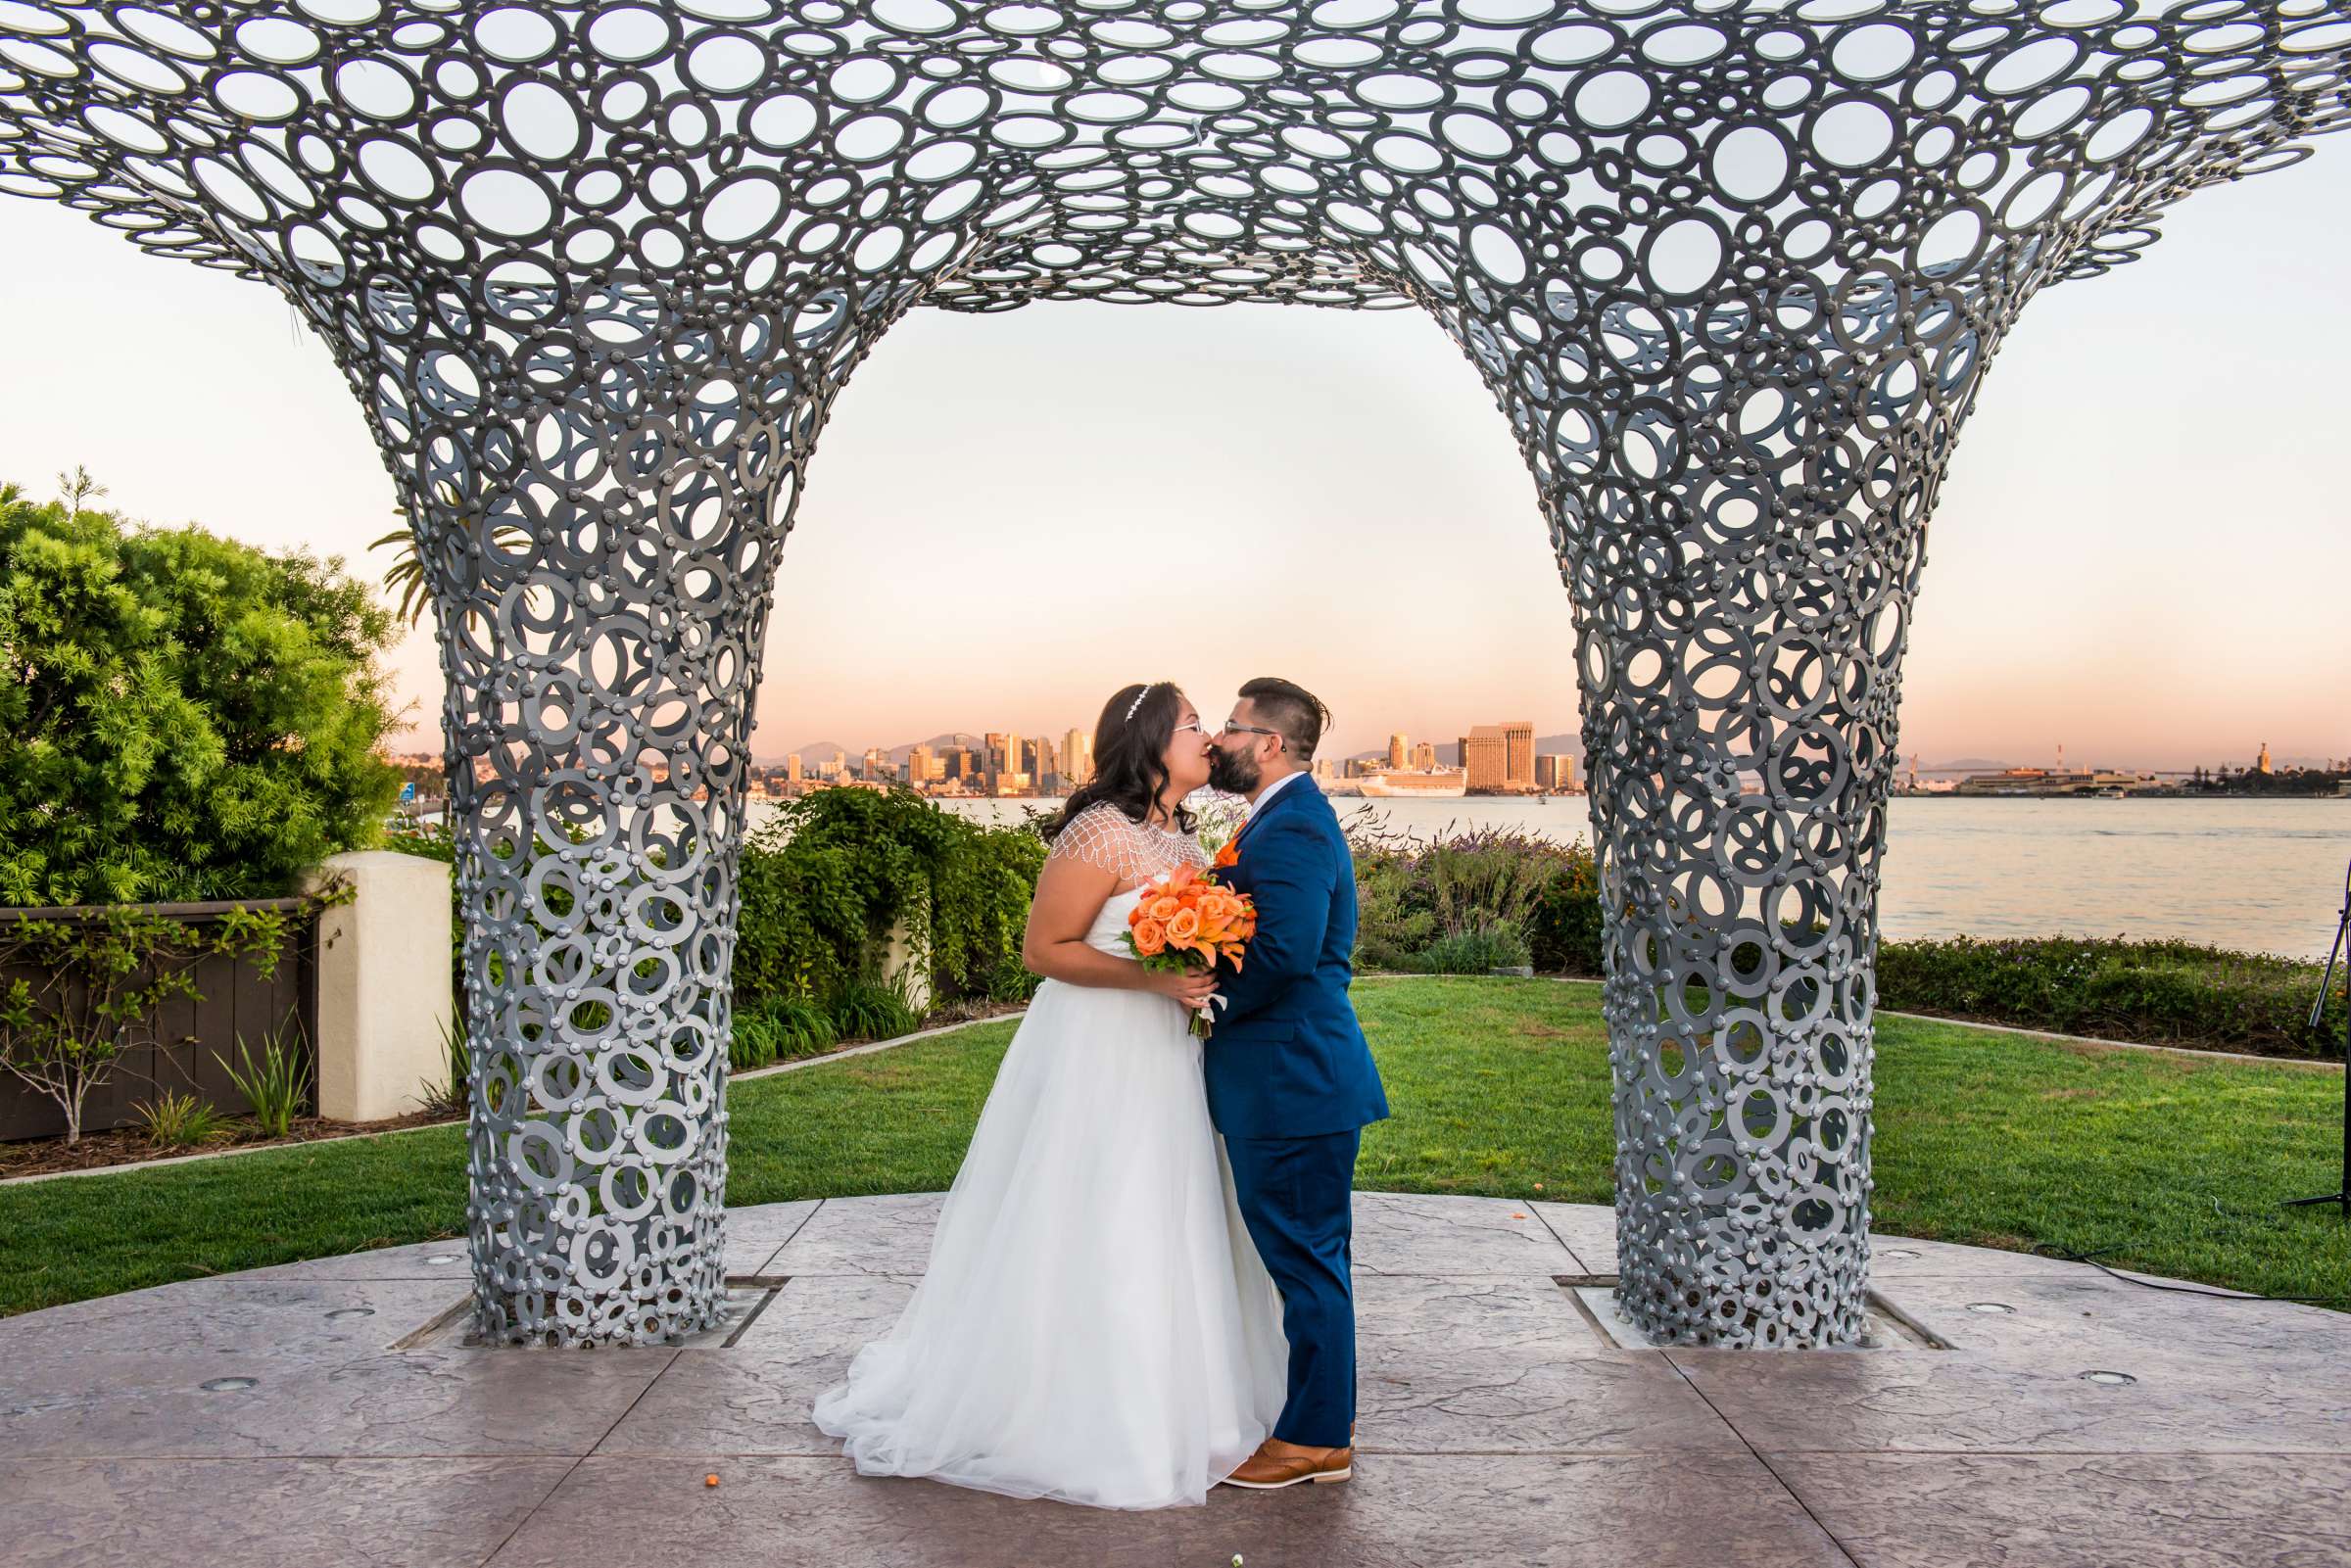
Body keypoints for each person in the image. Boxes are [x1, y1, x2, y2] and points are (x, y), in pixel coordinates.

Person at [810, 682, 1287, 1509]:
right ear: (1150, 742)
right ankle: (1071, 1408)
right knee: (1098, 1211)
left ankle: (1184, 1401)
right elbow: (1044, 946)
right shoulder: (1101, 830)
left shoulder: (1181, 835)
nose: (1208, 736)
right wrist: (1152, 977)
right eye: (1193, 725)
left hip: (1166, 1056)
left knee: (1167, 1212)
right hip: (1098, 1051)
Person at [1202, 676, 1390, 1489]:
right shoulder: (1277, 819)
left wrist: (1207, 1002)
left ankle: (1315, 1440)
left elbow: (1282, 953)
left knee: (1307, 1259)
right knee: (1313, 1255)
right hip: (1290, 1080)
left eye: (1232, 727)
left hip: (1292, 1081)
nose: (1220, 739)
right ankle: (1326, 1417)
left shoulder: (1295, 829)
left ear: (1269, 743)